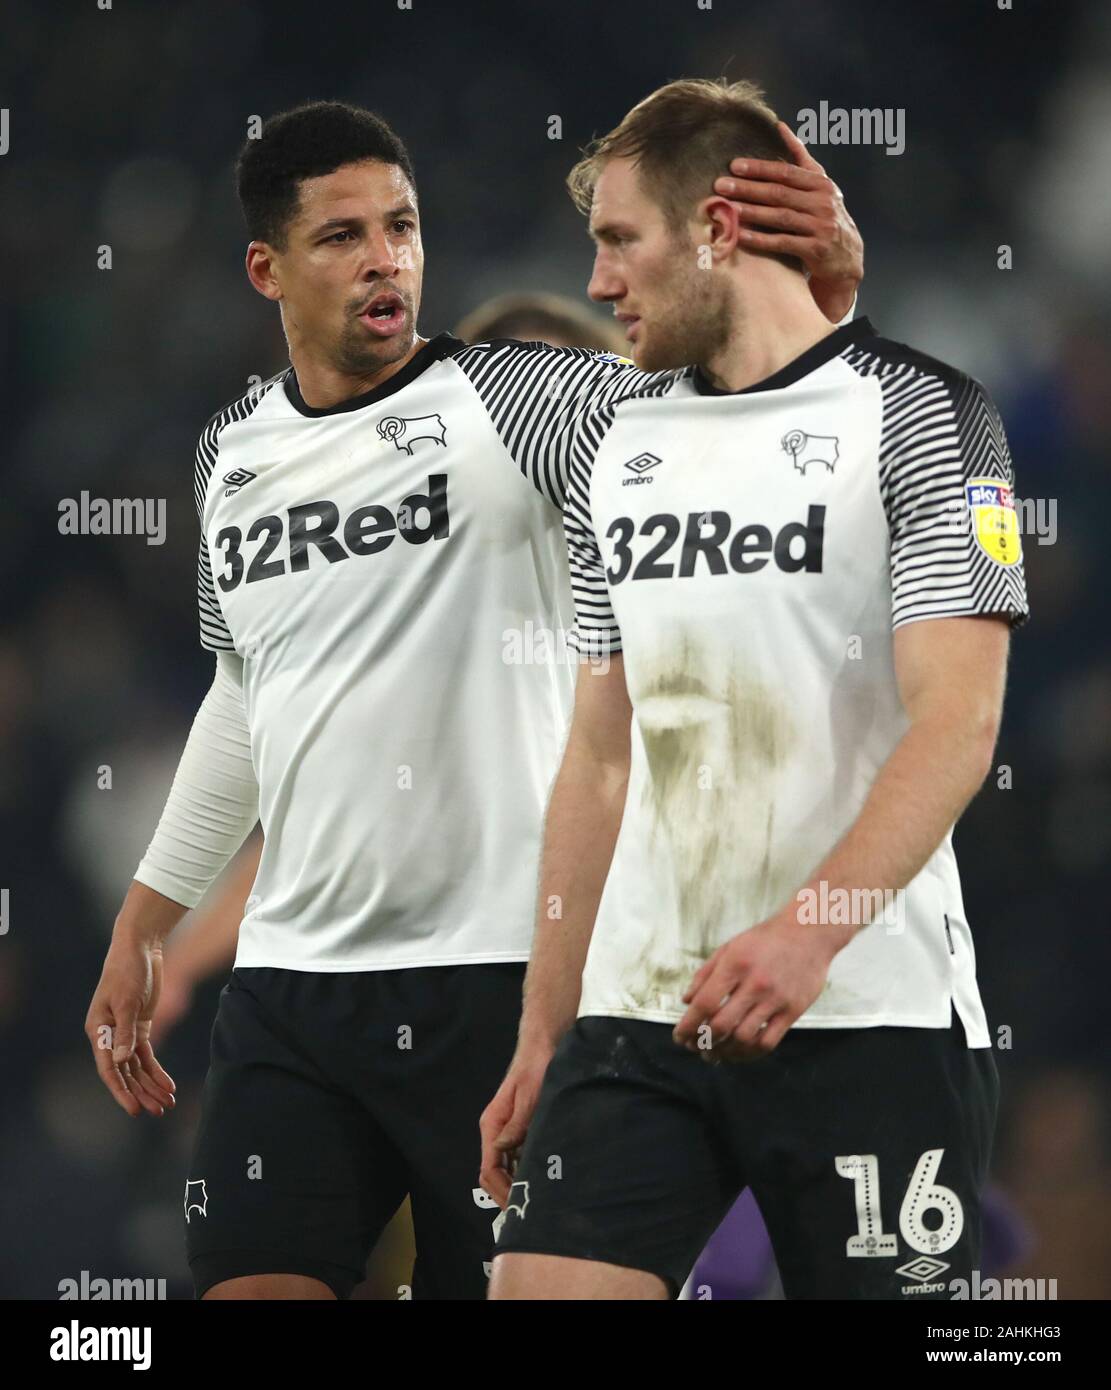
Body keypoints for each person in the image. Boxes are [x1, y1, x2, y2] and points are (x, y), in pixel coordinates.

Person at [84, 99, 862, 1300]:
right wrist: (148, 917)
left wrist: (829, 296)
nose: (385, 256)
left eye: (401, 226)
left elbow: (755, 419)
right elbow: (243, 692)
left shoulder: (519, 404)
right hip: (289, 992)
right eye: (341, 236)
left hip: (493, 979)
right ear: (266, 268)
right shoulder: (229, 452)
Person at [485, 77, 1028, 1300]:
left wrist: (806, 933)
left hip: (866, 1014)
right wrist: (543, 1024)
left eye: (620, 242)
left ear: (716, 231)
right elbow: (601, 754)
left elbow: (961, 719)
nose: (598, 284)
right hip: (638, 1018)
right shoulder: (609, 442)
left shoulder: (924, 413)